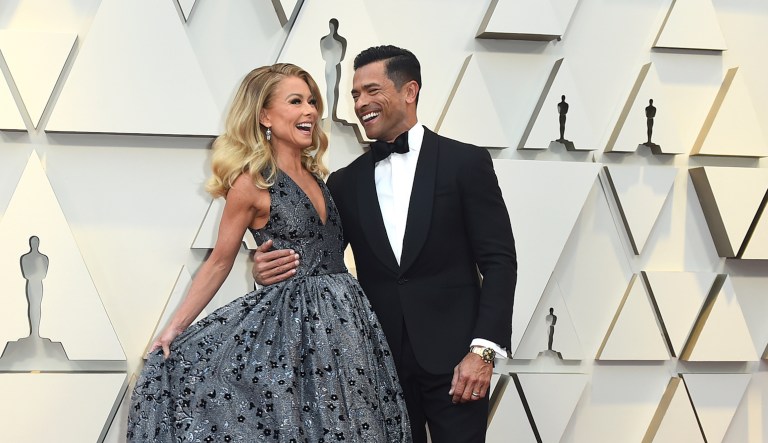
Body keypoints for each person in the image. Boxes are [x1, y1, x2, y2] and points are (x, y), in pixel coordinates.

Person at [127, 63, 411, 442]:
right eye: (295, 101)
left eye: (311, 101)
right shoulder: (251, 184)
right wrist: (175, 328)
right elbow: (219, 262)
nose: (310, 110)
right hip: (296, 330)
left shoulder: (319, 177)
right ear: (264, 115)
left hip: (349, 324)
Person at [253, 46, 517, 443]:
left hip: (458, 364)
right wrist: (265, 266)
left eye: (371, 91)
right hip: (375, 363)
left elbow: (499, 262)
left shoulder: (465, 163)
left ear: (409, 91)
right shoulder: (343, 183)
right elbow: (319, 257)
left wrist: (482, 352)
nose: (360, 104)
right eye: (355, 95)